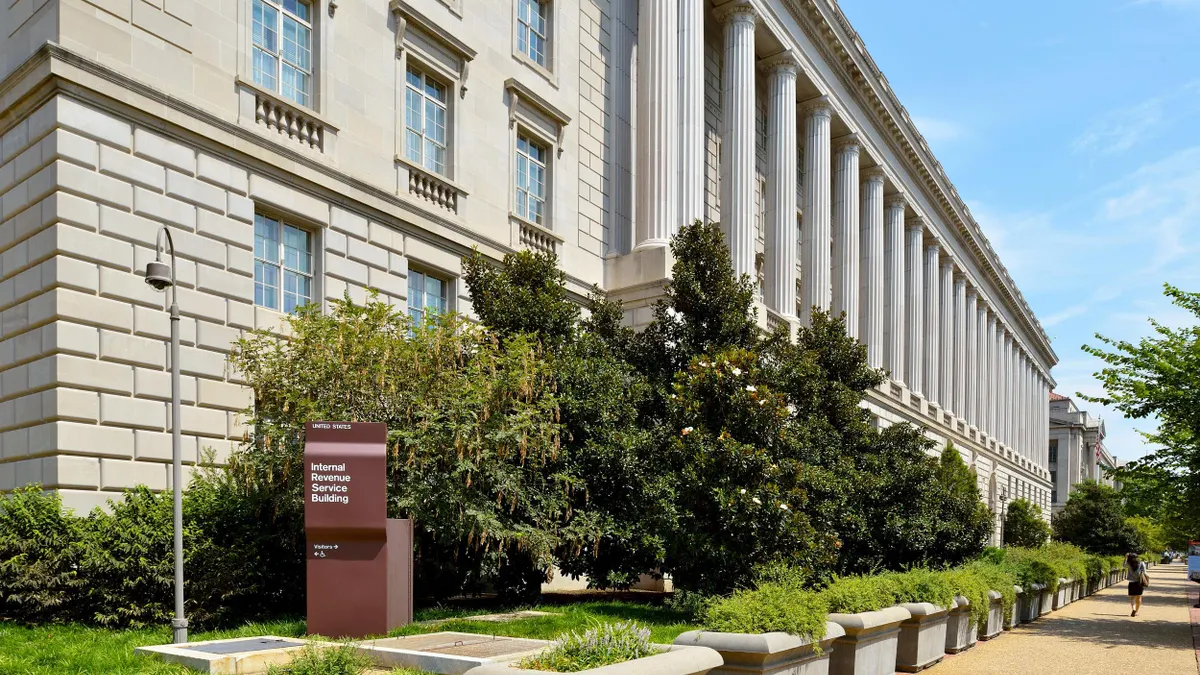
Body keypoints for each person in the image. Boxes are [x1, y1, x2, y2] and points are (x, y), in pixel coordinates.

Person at [1126, 552, 1147, 616]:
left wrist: (1126, 558)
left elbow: (1123, 565)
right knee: (1139, 597)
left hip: (1131, 582)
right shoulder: (1141, 563)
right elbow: (1144, 573)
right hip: (1139, 582)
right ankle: (1137, 611)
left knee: (1132, 597)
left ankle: (1133, 609)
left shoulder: (1129, 564)